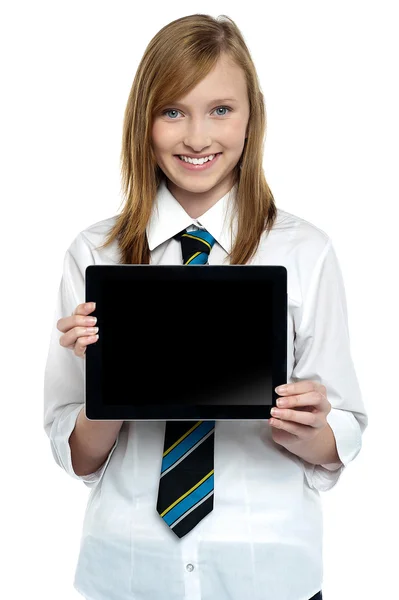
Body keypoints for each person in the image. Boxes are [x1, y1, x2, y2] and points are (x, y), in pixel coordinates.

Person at [43, 13, 368, 600]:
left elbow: (340, 435)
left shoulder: (305, 251)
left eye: (221, 109)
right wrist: (107, 380)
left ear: (252, 117)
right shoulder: (95, 253)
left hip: (267, 573)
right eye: (173, 111)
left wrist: (310, 425)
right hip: (130, 571)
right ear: (144, 121)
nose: (197, 137)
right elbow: (80, 458)